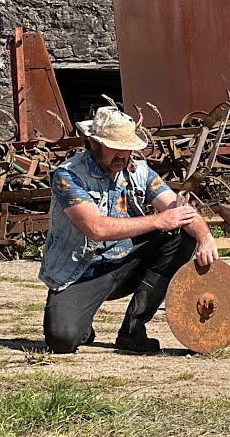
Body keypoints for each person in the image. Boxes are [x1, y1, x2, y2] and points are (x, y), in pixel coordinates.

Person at [39, 106, 218, 353]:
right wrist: (158, 221)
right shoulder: (68, 175)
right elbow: (96, 228)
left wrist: (205, 236)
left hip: (124, 265)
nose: (123, 154)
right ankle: (81, 323)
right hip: (80, 273)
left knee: (181, 234)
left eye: (128, 147)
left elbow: (180, 209)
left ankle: (133, 330)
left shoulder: (139, 171)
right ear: (94, 144)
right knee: (62, 340)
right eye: (115, 147)